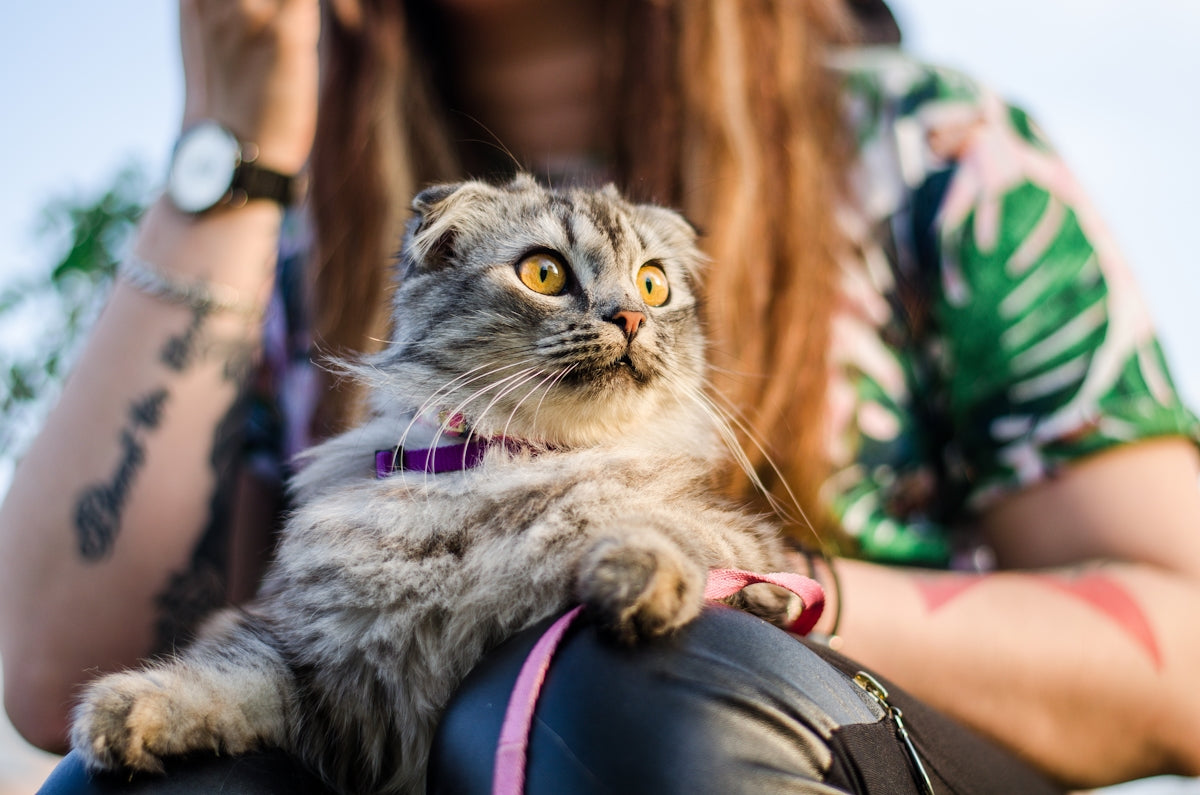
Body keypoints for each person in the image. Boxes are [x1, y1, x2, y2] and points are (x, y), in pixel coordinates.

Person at [5, 0, 1200, 791]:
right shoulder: (299, 241)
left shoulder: (927, 152)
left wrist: (758, 595)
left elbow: (1182, 654)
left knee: (629, 695)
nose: (621, 312)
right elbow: (61, 674)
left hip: (745, 738)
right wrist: (232, 146)